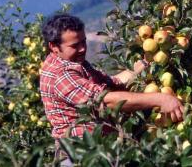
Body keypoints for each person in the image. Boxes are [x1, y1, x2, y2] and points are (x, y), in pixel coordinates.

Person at [39, 14, 184, 164]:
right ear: (53, 46)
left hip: (98, 150)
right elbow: (106, 101)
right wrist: (160, 99)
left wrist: (146, 61)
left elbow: (113, 82)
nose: (82, 49)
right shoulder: (61, 74)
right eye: (75, 45)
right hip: (80, 155)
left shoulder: (74, 62)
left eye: (84, 42)